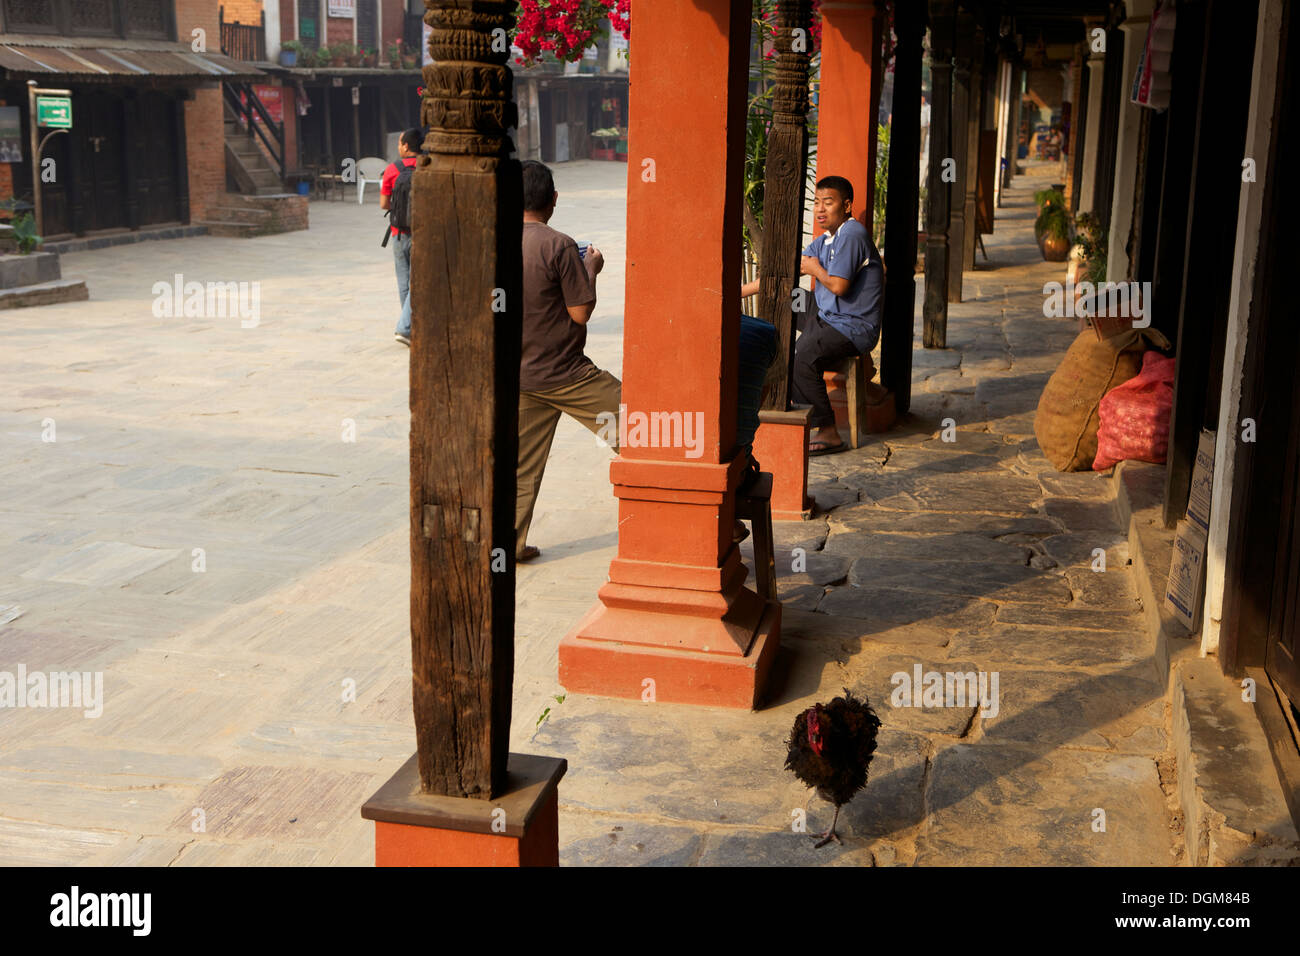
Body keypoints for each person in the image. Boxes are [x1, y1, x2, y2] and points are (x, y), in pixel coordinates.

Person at [516, 160, 622, 562]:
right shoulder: (558, 244)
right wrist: (590, 269)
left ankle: (508, 545)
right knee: (641, 432)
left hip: (521, 376)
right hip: (568, 375)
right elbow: (580, 312)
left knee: (520, 471)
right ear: (553, 200)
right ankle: (687, 511)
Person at [791, 175, 885, 455]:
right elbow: (791, 268)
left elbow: (839, 286)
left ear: (846, 206)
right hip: (827, 316)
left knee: (803, 356)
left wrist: (815, 269)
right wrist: (737, 293)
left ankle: (828, 431)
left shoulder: (853, 235)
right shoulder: (827, 239)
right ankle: (784, 396)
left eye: (827, 202)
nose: (820, 209)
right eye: (817, 202)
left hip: (852, 326)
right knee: (784, 301)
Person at [380, 127, 422, 346]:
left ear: (406, 146)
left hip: (398, 234)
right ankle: (408, 326)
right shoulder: (428, 167)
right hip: (422, 233)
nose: (398, 147)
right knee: (418, 281)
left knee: (404, 283)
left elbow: (383, 204)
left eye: (399, 143)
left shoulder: (392, 170)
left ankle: (405, 327)